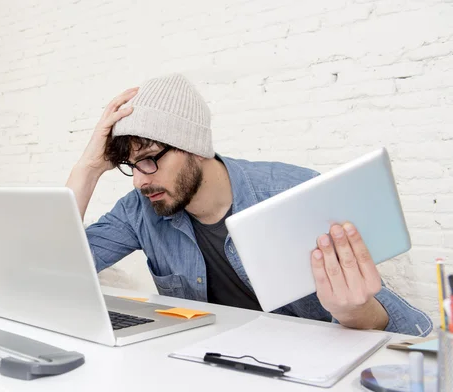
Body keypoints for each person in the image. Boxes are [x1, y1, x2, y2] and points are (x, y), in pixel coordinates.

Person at [65, 73, 432, 336]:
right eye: (131, 166)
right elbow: (60, 268)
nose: (142, 179)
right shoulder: (139, 209)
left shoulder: (293, 193)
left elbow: (409, 329)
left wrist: (354, 311)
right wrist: (88, 168)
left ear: (194, 147)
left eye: (150, 159)